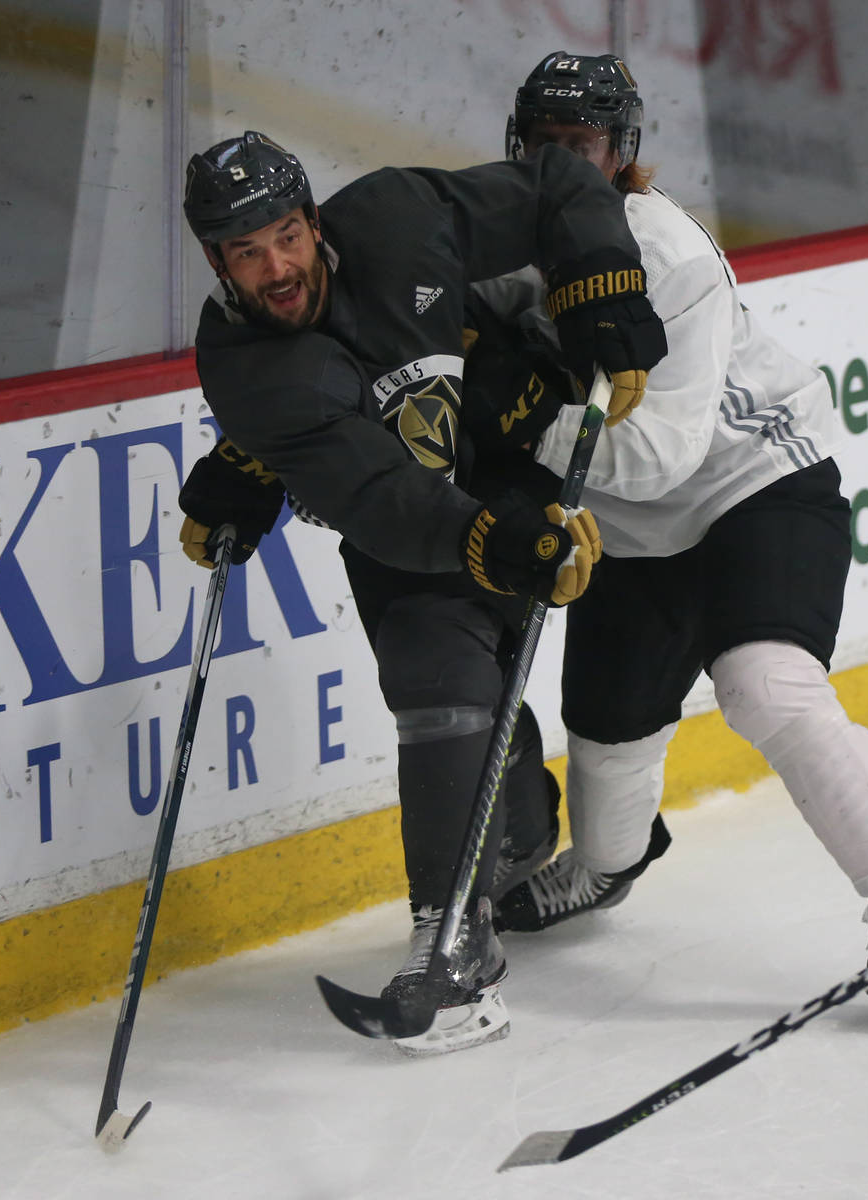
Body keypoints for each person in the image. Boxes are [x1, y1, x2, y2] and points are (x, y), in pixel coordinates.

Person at [462, 52, 868, 1028]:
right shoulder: (497, 241)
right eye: (547, 146)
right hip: (630, 538)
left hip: (757, 484)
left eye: (586, 146)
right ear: (518, 149)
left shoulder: (669, 257)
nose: (566, 164)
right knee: (607, 778)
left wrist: (526, 416)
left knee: (765, 686)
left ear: (621, 155)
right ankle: (607, 869)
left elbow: (656, 455)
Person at [175, 130, 667, 1052]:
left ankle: (507, 856)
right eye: (247, 252)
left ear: (313, 221)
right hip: (410, 524)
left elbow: (558, 185)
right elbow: (379, 495)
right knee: (435, 679)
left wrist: (601, 283)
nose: (276, 266)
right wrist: (266, 448)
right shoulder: (241, 363)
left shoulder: (399, 215)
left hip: (513, 444)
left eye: (284, 235)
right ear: (218, 262)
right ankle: (455, 944)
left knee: (476, 676)